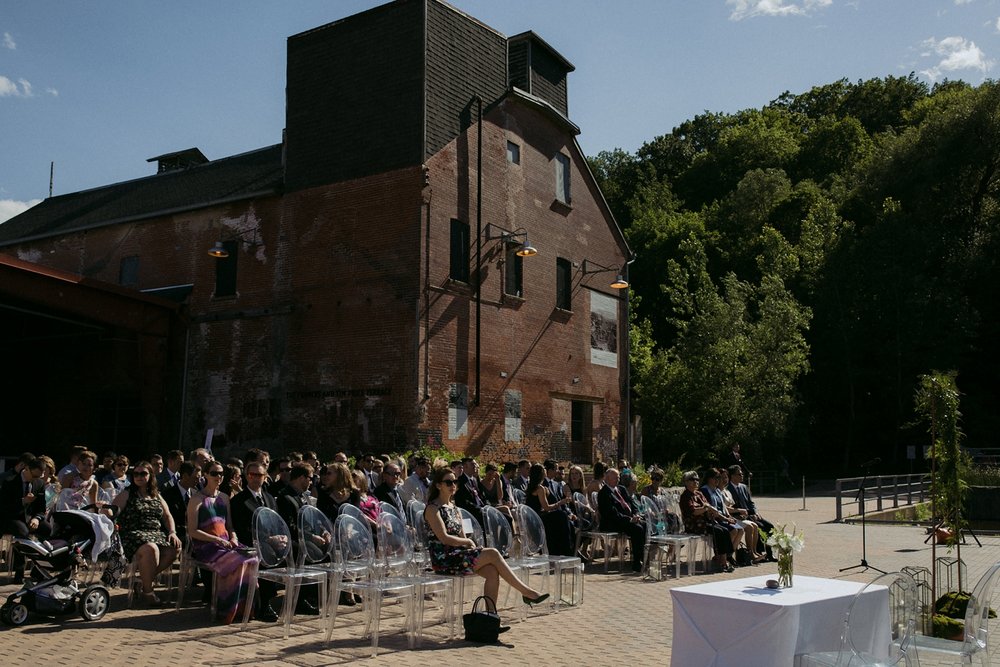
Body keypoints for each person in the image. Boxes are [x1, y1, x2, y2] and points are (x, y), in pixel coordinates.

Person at [423, 467, 548, 617]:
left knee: (492, 571)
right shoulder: (432, 508)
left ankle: (490, 617)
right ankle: (526, 592)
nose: (453, 485)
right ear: (438, 485)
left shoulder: (454, 508)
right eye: (448, 482)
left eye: (455, 481)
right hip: (444, 558)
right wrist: (468, 542)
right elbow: (444, 537)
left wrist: (471, 545)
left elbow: (462, 535)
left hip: (458, 555)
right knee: (493, 553)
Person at [186, 460, 259, 624]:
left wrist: (233, 537)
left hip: (226, 543)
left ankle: (244, 609)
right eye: (214, 473)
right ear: (205, 475)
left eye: (220, 474)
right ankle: (227, 609)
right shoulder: (196, 499)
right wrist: (217, 539)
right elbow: (193, 531)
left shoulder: (224, 498)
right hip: (207, 545)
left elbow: (230, 526)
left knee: (252, 558)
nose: (218, 477)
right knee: (238, 562)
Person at [111, 461, 181, 607]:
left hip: (155, 533)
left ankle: (142, 582)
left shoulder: (156, 495)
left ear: (150, 476)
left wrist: (172, 532)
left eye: (143, 473)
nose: (139, 477)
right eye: (136, 474)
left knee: (175, 549)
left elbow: (167, 516)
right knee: (151, 549)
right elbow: (112, 509)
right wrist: (106, 511)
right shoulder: (127, 494)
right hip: (132, 534)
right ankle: (148, 592)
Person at [230, 461, 279, 621]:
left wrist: (280, 536)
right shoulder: (239, 500)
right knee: (267, 554)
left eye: (259, 475)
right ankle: (264, 604)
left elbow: (276, 522)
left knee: (293, 549)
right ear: (246, 476)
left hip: (272, 542)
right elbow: (242, 529)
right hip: (250, 543)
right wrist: (267, 539)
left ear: (265, 477)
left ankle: (300, 599)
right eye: (252, 475)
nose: (256, 478)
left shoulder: (270, 499)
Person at [1, 457, 51, 583]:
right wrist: (23, 501)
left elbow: (41, 508)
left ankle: (39, 569)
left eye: (38, 476)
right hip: (12, 517)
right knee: (23, 534)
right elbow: (4, 507)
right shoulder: (10, 481)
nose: (35, 479)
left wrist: (37, 518)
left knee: (48, 529)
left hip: (30, 518)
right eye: (34, 476)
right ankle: (19, 572)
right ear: (27, 469)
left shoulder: (39, 484)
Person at [679, 470, 740, 573]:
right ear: (686, 482)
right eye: (692, 480)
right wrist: (706, 509)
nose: (696, 482)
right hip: (695, 525)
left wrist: (726, 519)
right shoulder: (685, 496)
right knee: (719, 532)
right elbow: (694, 512)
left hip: (706, 522)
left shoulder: (699, 493)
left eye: (697, 480)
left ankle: (723, 559)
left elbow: (711, 508)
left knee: (724, 530)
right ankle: (722, 562)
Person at [596, 468, 645, 572]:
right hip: (613, 523)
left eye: (618, 477)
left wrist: (636, 514)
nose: (617, 480)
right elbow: (612, 514)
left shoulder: (621, 489)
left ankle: (644, 557)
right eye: (615, 478)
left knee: (645, 525)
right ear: (607, 479)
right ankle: (637, 563)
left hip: (626, 520)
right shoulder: (604, 493)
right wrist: (630, 519)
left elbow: (631, 503)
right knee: (637, 529)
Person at [526, 463, 575, 556]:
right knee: (561, 515)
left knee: (561, 517)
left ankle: (563, 549)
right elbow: (546, 507)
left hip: (536, 516)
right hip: (538, 518)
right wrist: (560, 502)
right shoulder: (539, 488)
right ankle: (566, 550)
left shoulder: (532, 486)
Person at [727, 465, 775, 561]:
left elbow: (750, 503)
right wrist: (745, 515)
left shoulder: (744, 487)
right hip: (739, 516)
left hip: (750, 514)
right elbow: (730, 507)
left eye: (742, 474)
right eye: (739, 474)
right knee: (758, 526)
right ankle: (757, 553)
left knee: (769, 526)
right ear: (732, 476)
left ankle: (769, 553)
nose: (742, 476)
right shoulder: (727, 489)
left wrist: (755, 513)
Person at [454, 457, 487, 526]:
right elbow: (463, 501)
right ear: (465, 467)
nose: (475, 466)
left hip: (483, 509)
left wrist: (487, 506)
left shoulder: (474, 480)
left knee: (505, 517)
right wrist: (479, 509)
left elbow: (482, 496)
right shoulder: (460, 481)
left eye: (475, 464)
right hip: (471, 513)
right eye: (472, 464)